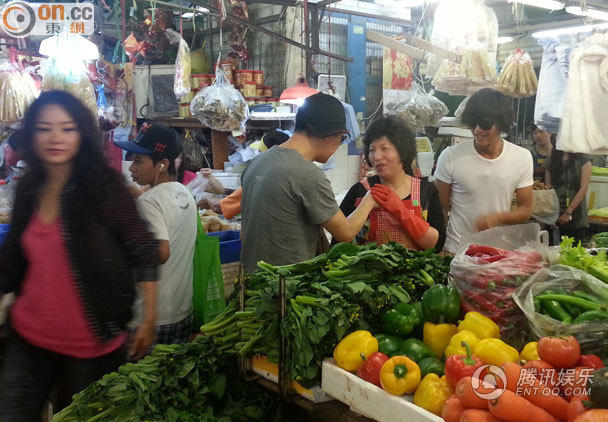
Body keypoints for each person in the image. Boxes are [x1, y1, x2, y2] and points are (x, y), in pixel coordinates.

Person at [0, 91, 159, 420]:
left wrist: (149, 318)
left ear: (82, 134)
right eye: (45, 128)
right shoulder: (29, 188)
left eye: (67, 128)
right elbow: (11, 259)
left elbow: (143, 249)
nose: (55, 137)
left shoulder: (105, 188)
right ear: (32, 134)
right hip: (28, 339)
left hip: (93, 344)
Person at [240, 93, 376, 273]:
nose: (339, 145)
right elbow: (345, 233)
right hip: (285, 287)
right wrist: (370, 199)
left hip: (251, 281)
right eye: (342, 139)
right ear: (330, 134)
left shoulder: (258, 161)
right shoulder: (308, 174)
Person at [115, 123, 197, 352]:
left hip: (150, 319)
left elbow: (161, 252)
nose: (131, 168)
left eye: (139, 161)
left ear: (163, 165)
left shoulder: (149, 202)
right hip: (181, 310)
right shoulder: (184, 192)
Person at [434, 88, 534, 254]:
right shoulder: (451, 156)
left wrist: (498, 218)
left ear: (502, 123)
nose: (478, 130)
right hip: (456, 250)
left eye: (485, 124)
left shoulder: (521, 157)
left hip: (497, 251)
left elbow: (525, 210)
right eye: (473, 124)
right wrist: (439, 248)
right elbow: (440, 209)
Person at [340, 115, 445, 251]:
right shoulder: (360, 190)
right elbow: (340, 239)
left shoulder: (426, 190)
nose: (377, 157)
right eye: (372, 150)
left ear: (402, 151)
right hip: (369, 270)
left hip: (413, 270)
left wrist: (399, 210)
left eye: (384, 148)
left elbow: (437, 245)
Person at [219, 129, 291, 219]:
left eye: (260, 151)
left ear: (271, 154)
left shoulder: (264, 175)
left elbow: (226, 207)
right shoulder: (291, 171)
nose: (258, 154)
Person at [544, 137, 592, 243]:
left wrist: (568, 211)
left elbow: (583, 188)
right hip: (554, 212)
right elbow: (548, 189)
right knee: (554, 251)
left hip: (576, 213)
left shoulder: (584, 160)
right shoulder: (551, 160)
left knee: (574, 249)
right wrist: (550, 216)